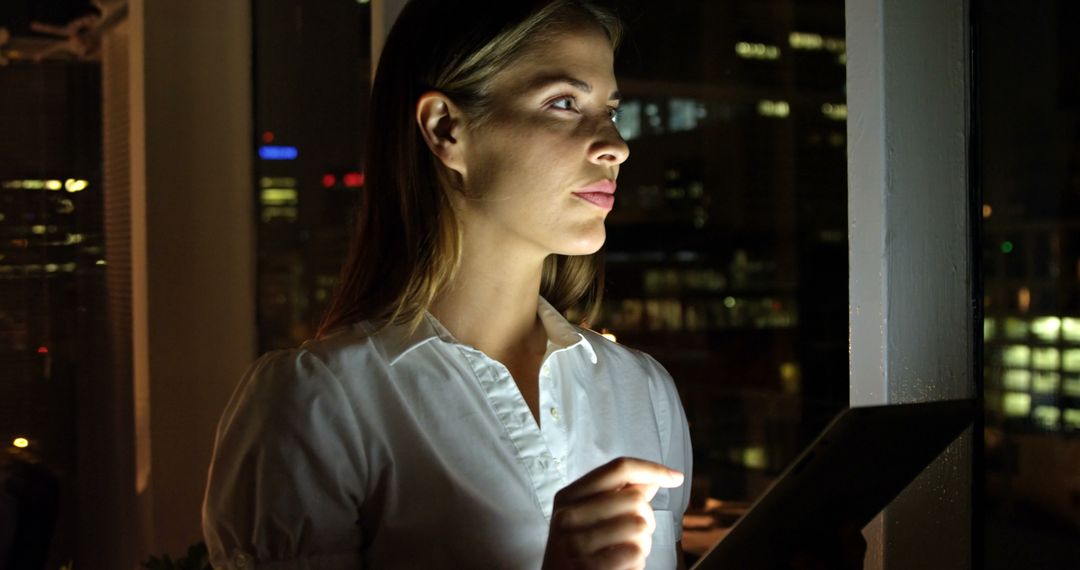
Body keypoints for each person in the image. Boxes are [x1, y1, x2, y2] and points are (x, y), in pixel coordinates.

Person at [201, 0, 692, 568]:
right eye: (564, 103)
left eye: (610, 109)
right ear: (445, 129)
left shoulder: (645, 393)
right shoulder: (318, 405)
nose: (616, 145)